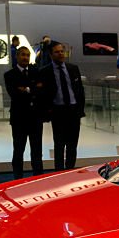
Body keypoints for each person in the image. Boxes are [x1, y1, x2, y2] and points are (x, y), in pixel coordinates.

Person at [38, 41, 85, 171]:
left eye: (61, 51)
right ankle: (59, 173)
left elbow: (80, 91)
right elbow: (43, 95)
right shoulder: (44, 71)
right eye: (57, 52)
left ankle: (70, 171)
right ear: (50, 54)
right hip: (58, 112)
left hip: (73, 111)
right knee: (59, 145)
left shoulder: (73, 68)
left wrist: (80, 109)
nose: (60, 54)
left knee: (72, 145)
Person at [4, 46, 46, 179]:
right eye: (22, 55)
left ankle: (38, 179)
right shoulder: (9, 75)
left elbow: (41, 91)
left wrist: (26, 89)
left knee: (37, 151)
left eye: (28, 55)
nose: (25, 58)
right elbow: (15, 94)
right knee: (18, 151)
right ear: (17, 56)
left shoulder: (36, 72)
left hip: (35, 118)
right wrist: (33, 89)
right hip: (19, 119)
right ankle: (17, 179)